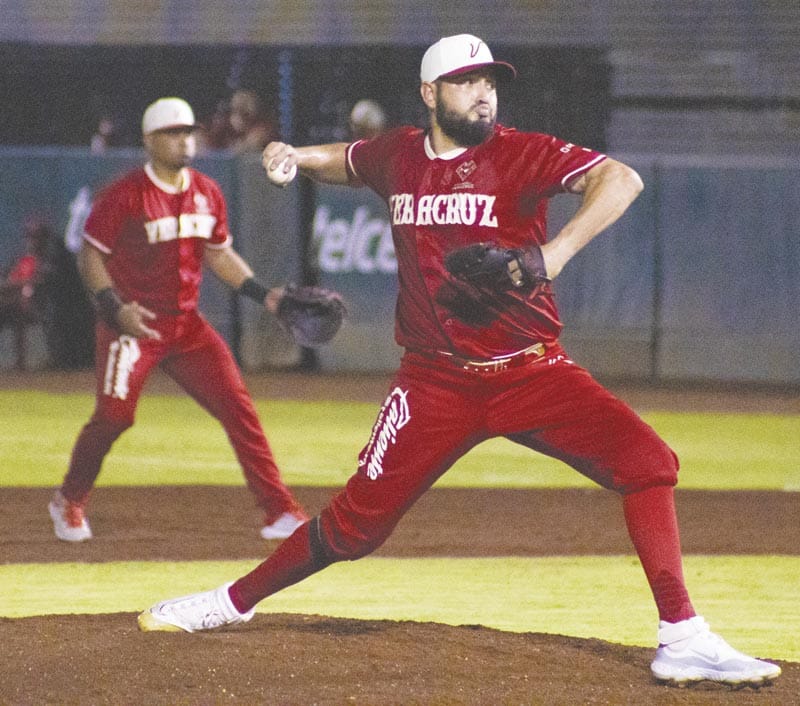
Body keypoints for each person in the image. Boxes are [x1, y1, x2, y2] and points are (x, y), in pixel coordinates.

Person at [138, 38, 781, 689]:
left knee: (649, 463)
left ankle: (683, 636)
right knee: (356, 527)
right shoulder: (398, 155)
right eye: (466, 81)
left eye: (490, 81)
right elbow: (349, 162)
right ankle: (228, 603)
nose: (483, 92)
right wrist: (295, 156)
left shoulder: (520, 152)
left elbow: (622, 179)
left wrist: (551, 257)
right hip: (435, 382)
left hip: (533, 372)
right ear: (429, 94)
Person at [48, 97, 308, 543]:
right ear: (149, 140)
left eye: (188, 131)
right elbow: (91, 255)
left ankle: (279, 510)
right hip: (135, 324)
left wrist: (263, 295)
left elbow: (219, 253)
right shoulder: (125, 194)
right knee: (114, 417)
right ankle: (68, 500)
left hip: (187, 326)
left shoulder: (207, 191)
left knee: (239, 409)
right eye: (172, 132)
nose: (184, 139)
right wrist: (114, 308)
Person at [0, 216, 52, 370]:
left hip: (36, 304)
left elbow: (42, 281)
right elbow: (9, 280)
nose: (31, 240)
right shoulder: (21, 260)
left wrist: (17, 285)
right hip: (13, 302)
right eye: (28, 236)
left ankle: (20, 363)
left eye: (35, 236)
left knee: (16, 309)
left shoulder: (48, 259)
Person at [227, 89, 278, 154]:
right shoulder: (228, 128)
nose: (237, 116)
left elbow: (244, 150)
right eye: (235, 110)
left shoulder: (262, 130)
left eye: (242, 110)